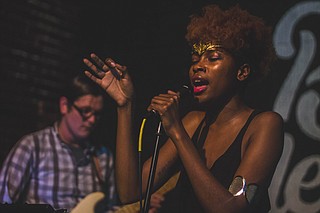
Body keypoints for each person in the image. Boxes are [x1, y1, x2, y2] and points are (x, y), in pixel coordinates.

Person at [83, 4, 284, 213]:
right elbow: (130, 191)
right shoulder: (193, 122)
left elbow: (231, 208)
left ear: (242, 72)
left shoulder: (265, 125)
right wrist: (125, 107)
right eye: (195, 59)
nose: (198, 66)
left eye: (213, 58)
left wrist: (177, 131)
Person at [0, 74, 118, 212]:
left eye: (97, 114)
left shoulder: (103, 157)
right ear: (64, 106)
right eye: (85, 111)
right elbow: (3, 202)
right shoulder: (32, 146)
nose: (92, 120)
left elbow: (111, 207)